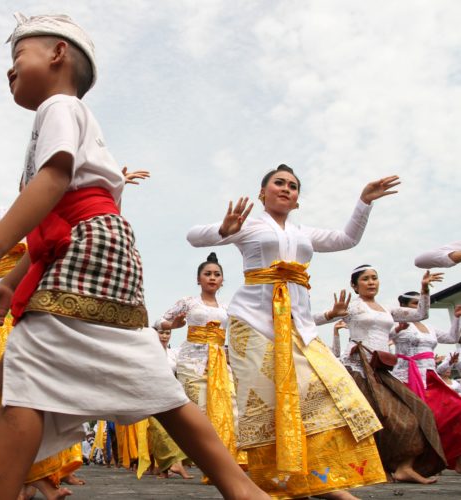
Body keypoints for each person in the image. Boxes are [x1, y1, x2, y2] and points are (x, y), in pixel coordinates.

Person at [0, 13, 267, 500]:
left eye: (17, 56)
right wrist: (11, 284)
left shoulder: (57, 106)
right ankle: (240, 489)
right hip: (96, 241)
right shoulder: (68, 114)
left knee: (27, 368)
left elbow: (53, 182)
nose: (9, 70)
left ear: (57, 55)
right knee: (147, 374)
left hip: (86, 240)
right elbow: (54, 222)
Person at [187, 164, 397, 498]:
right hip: (253, 324)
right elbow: (194, 236)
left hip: (299, 327)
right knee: (267, 405)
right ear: (263, 193)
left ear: (297, 200)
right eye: (279, 183)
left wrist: (364, 202)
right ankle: (272, 482)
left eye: (293, 186)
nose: (286, 188)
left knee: (326, 394)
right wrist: (223, 230)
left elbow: (347, 239)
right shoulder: (249, 226)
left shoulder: (303, 233)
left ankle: (322, 481)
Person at [341, 266, 446, 483]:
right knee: (375, 417)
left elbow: (421, 314)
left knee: (419, 411)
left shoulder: (387, 310)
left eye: (375, 278)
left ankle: (404, 467)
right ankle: (377, 469)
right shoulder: (352, 307)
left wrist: (424, 289)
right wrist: (330, 314)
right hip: (358, 368)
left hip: (382, 369)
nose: (371, 282)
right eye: (365, 279)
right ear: (354, 285)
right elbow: (318, 318)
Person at [154, 252, 244, 478]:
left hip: (219, 363)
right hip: (192, 362)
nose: (212, 278)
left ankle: (226, 465)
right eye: (207, 274)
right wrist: (172, 324)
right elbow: (160, 321)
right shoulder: (188, 302)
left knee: (230, 410)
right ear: (198, 279)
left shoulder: (227, 309)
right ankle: (210, 464)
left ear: (222, 280)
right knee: (202, 412)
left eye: (217, 274)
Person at [390, 292, 461, 473]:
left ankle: (456, 459)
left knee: (456, 408)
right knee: (422, 419)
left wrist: (457, 319)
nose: (420, 307)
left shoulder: (429, 327)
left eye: (421, 303)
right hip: (406, 376)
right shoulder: (397, 323)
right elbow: (386, 337)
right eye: (415, 303)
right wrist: (397, 330)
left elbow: (452, 338)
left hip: (430, 376)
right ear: (403, 305)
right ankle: (407, 464)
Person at [146, 328, 191, 479]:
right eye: (161, 332)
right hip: (153, 395)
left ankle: (173, 466)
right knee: (158, 432)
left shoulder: (174, 354)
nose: (164, 336)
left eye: (167, 333)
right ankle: (167, 467)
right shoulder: (148, 352)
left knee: (172, 431)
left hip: (172, 395)